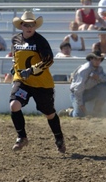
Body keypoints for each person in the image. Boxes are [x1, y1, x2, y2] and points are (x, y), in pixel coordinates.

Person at [9, 11, 65, 153]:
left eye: (32, 25)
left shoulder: (40, 41)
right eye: (26, 24)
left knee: (49, 113)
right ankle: (21, 137)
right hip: (22, 81)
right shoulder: (15, 40)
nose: (29, 27)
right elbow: (15, 57)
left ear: (35, 26)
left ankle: (59, 137)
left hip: (42, 84)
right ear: (21, 25)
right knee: (14, 105)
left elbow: (48, 59)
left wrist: (32, 70)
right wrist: (14, 68)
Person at [67, 51, 106, 117]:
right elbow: (78, 88)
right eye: (96, 59)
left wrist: (98, 77)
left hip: (89, 91)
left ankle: (97, 110)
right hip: (77, 94)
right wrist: (81, 104)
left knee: (105, 85)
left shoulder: (99, 69)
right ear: (91, 59)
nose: (98, 61)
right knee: (79, 115)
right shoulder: (85, 69)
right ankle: (70, 111)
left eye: (99, 59)